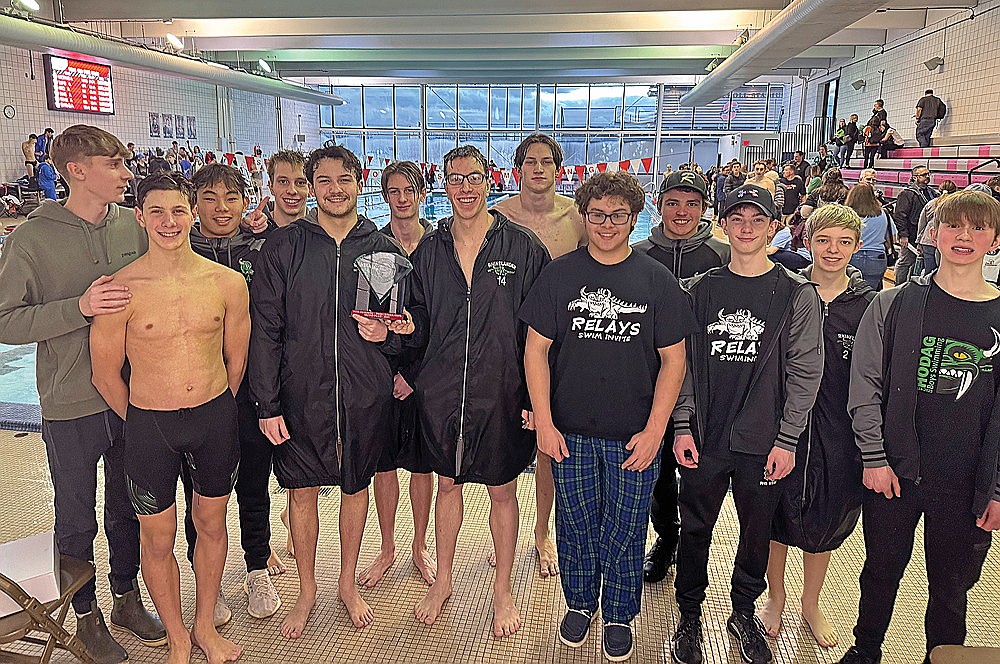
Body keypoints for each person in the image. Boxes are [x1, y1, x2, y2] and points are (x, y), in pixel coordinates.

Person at [0, 125, 164, 664]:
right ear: (78, 171)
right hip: (70, 400)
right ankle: (85, 615)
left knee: (127, 506)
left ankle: (124, 598)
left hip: (128, 395)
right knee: (75, 513)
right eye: (115, 165)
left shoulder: (130, 227)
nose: (126, 174)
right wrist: (78, 307)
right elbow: (5, 320)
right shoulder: (32, 238)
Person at [520, 171, 695, 661]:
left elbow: (674, 359)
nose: (607, 224)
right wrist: (545, 422)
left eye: (619, 215)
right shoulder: (559, 275)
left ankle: (619, 612)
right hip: (569, 433)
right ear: (584, 215)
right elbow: (536, 350)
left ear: (635, 219)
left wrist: (656, 430)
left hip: (632, 436)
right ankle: (578, 604)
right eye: (598, 215)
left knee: (625, 527)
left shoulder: (656, 281)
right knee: (574, 524)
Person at [250, 146, 413, 638]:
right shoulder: (285, 247)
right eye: (323, 180)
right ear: (311, 185)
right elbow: (266, 331)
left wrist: (390, 339)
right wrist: (267, 402)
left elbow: (397, 326)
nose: (335, 188)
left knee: (355, 486)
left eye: (344, 179)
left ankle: (346, 582)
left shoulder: (382, 251)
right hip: (301, 393)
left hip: (364, 392)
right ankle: (306, 589)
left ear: (360, 182)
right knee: (301, 492)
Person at [90, 171, 249, 664]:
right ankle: (177, 633)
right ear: (139, 217)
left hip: (214, 420)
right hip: (149, 427)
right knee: (157, 538)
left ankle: (204, 624)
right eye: (156, 211)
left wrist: (212, 406)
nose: (169, 221)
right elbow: (104, 374)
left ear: (192, 214)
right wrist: (143, 417)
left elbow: (236, 361)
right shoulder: (120, 289)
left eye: (178, 210)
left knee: (213, 524)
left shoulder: (227, 282)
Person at [839, 191, 1000, 664]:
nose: (964, 236)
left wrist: (996, 488)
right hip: (896, 471)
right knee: (881, 570)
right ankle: (865, 650)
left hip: (966, 480)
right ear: (934, 233)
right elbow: (864, 386)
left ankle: (943, 655)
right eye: (954, 226)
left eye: (978, 227)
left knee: (950, 587)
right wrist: (873, 457)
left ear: (995, 239)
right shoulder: (894, 304)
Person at [669, 184, 824, 664]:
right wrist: (681, 425)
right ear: (723, 224)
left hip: (764, 441)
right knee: (694, 529)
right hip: (706, 436)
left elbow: (805, 372)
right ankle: (689, 615)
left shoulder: (796, 293)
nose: (747, 227)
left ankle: (742, 612)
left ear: (775, 226)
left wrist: (787, 439)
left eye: (758, 219)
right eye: (737, 218)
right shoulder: (700, 290)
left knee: (756, 533)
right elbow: (684, 366)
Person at [407, 145, 549, 638]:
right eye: (454, 178)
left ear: (489, 181)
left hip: (502, 389)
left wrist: (535, 400)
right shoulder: (428, 249)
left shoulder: (524, 248)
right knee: (446, 485)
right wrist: (404, 356)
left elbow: (542, 334)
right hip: (443, 391)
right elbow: (417, 319)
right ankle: (443, 578)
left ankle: (503, 589)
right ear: (443, 184)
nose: (464, 187)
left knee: (503, 490)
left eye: (473, 177)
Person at [760, 204, 875, 649]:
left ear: (857, 247)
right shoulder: (787, 292)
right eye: (824, 240)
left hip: (839, 427)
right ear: (807, 241)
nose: (833, 250)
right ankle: (777, 595)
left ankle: (811, 602)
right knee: (774, 513)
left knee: (826, 517)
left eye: (844, 242)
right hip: (784, 418)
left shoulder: (870, 304)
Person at [181, 163, 283, 623]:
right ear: (194, 203)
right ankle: (209, 580)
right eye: (209, 198)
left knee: (254, 484)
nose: (221, 208)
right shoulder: (177, 250)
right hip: (196, 393)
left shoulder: (262, 249)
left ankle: (256, 568)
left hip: (250, 394)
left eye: (231, 198)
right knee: (200, 492)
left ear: (246, 202)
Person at [492, 134, 587, 579]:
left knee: (550, 442)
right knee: (509, 439)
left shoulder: (577, 216)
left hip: (564, 347)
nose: (537, 169)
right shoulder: (498, 216)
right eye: (528, 162)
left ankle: (541, 531)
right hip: (509, 343)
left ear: (558, 168)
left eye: (546, 162)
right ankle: (505, 533)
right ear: (516, 170)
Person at [633, 171, 729, 584]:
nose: (682, 211)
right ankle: (666, 538)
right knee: (655, 472)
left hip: (705, 389)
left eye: (692, 203)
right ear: (659, 204)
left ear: (705, 207)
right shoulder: (637, 254)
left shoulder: (723, 255)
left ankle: (693, 547)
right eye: (673, 202)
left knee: (697, 473)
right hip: (649, 385)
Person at [359, 160, 437, 590]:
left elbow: (445, 321)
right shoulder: (374, 246)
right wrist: (386, 371)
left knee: (422, 466)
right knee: (384, 465)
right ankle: (388, 547)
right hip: (381, 373)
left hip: (424, 373)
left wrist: (416, 375)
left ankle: (419, 545)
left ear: (422, 194)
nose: (402, 198)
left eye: (409, 190)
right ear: (385, 195)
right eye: (394, 191)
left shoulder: (439, 246)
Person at [893, 165, 936, 283]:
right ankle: (899, 286)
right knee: (906, 261)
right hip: (910, 234)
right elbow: (900, 215)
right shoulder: (907, 194)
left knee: (917, 262)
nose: (927, 177)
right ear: (915, 177)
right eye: (923, 175)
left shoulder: (932, 193)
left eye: (928, 174)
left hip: (923, 234)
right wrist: (903, 234)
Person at [845, 183, 890, 291]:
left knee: (850, 291)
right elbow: (893, 236)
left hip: (852, 255)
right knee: (871, 293)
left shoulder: (847, 215)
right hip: (877, 257)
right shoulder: (883, 214)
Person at [916, 180, 958, 276]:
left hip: (928, 241)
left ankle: (927, 290)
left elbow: (922, 224)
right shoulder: (956, 207)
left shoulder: (931, 203)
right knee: (944, 272)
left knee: (929, 272)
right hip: (947, 241)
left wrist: (919, 242)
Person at [265, 150, 309, 227]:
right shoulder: (252, 232)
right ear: (271, 187)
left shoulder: (324, 231)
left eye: (300, 183)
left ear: (310, 188)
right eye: (283, 181)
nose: (292, 191)